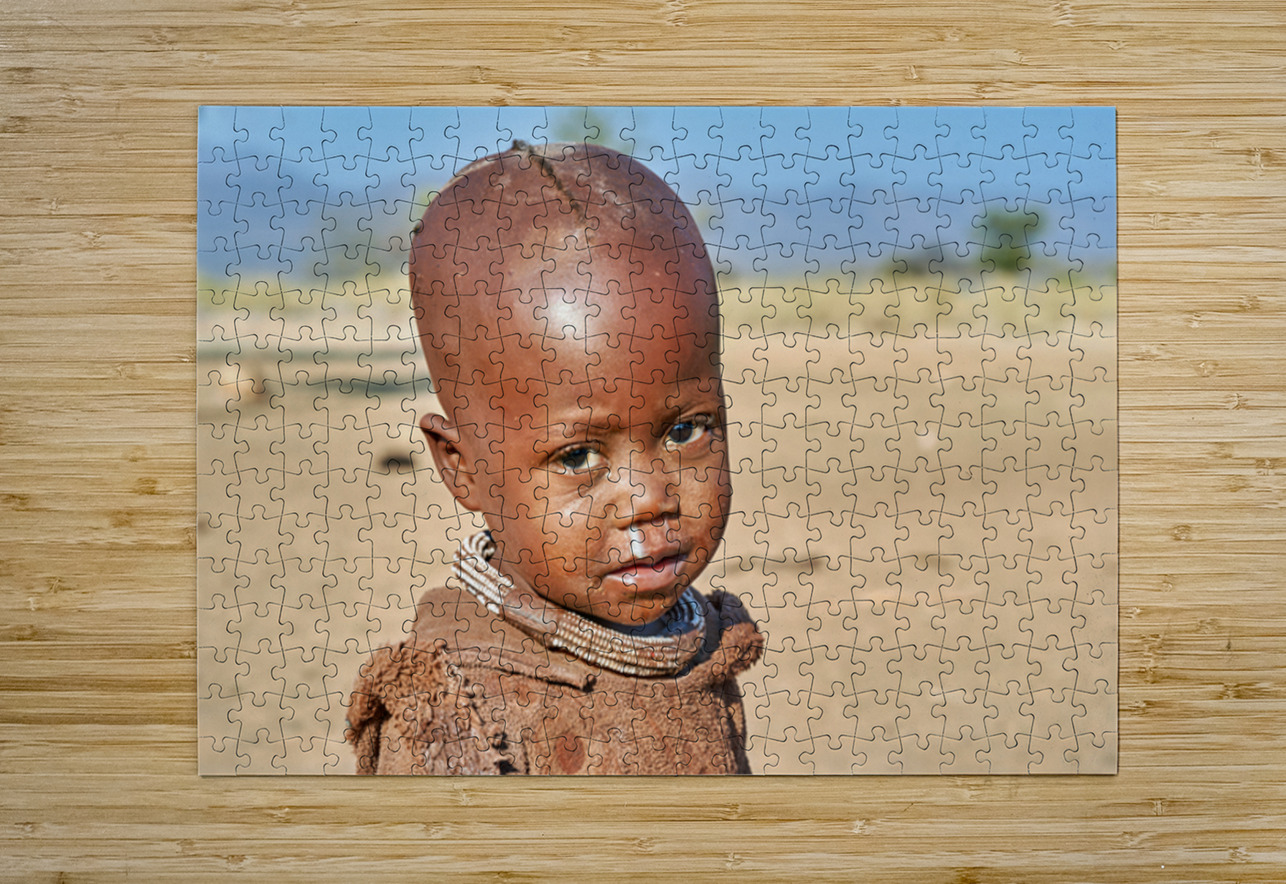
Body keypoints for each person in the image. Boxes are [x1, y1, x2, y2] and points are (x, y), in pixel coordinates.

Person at [347, 141, 763, 774]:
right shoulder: (451, 715)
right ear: (461, 468)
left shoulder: (704, 645)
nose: (648, 495)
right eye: (577, 457)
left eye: (685, 432)